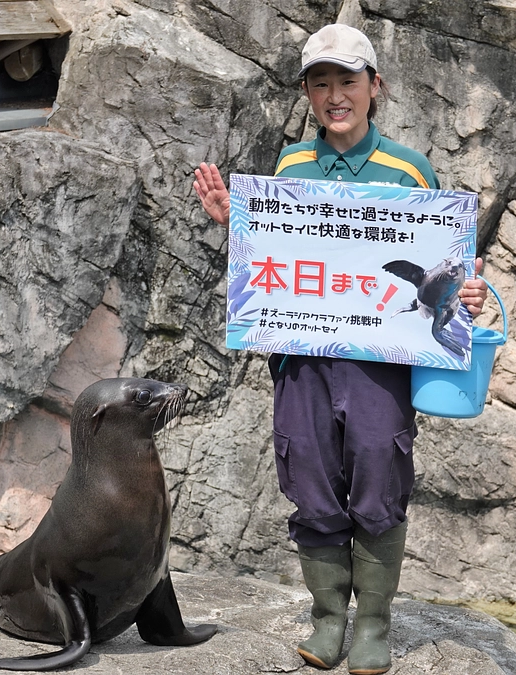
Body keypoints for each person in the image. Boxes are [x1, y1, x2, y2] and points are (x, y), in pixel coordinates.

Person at [194, 23, 487, 675]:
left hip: (380, 362)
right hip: (302, 361)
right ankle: (329, 619)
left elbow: (443, 268)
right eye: (320, 81)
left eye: (347, 80)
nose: (334, 95)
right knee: (314, 484)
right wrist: (235, 225)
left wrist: (464, 297)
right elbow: (281, 254)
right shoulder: (293, 165)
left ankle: (375, 624)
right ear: (307, 91)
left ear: (374, 86)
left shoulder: (410, 170)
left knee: (380, 472)